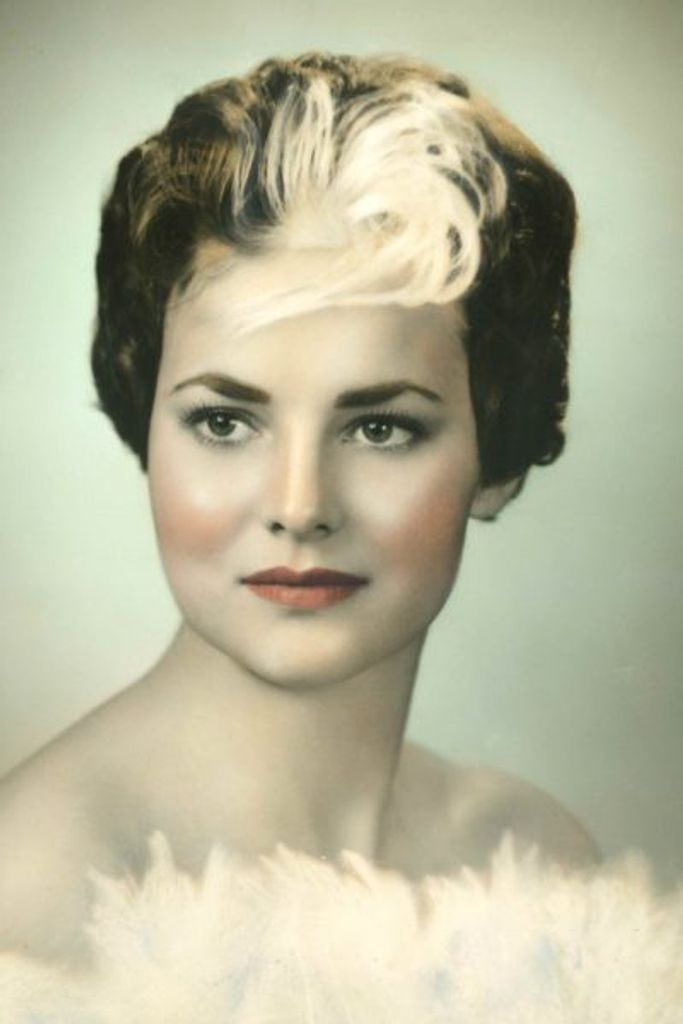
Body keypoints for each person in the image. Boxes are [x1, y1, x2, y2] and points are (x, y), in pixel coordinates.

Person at [0, 52, 599, 968]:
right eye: (224, 421)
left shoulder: (539, 869)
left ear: (497, 461)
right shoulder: (34, 898)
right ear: (144, 426)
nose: (298, 506)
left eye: (380, 428)